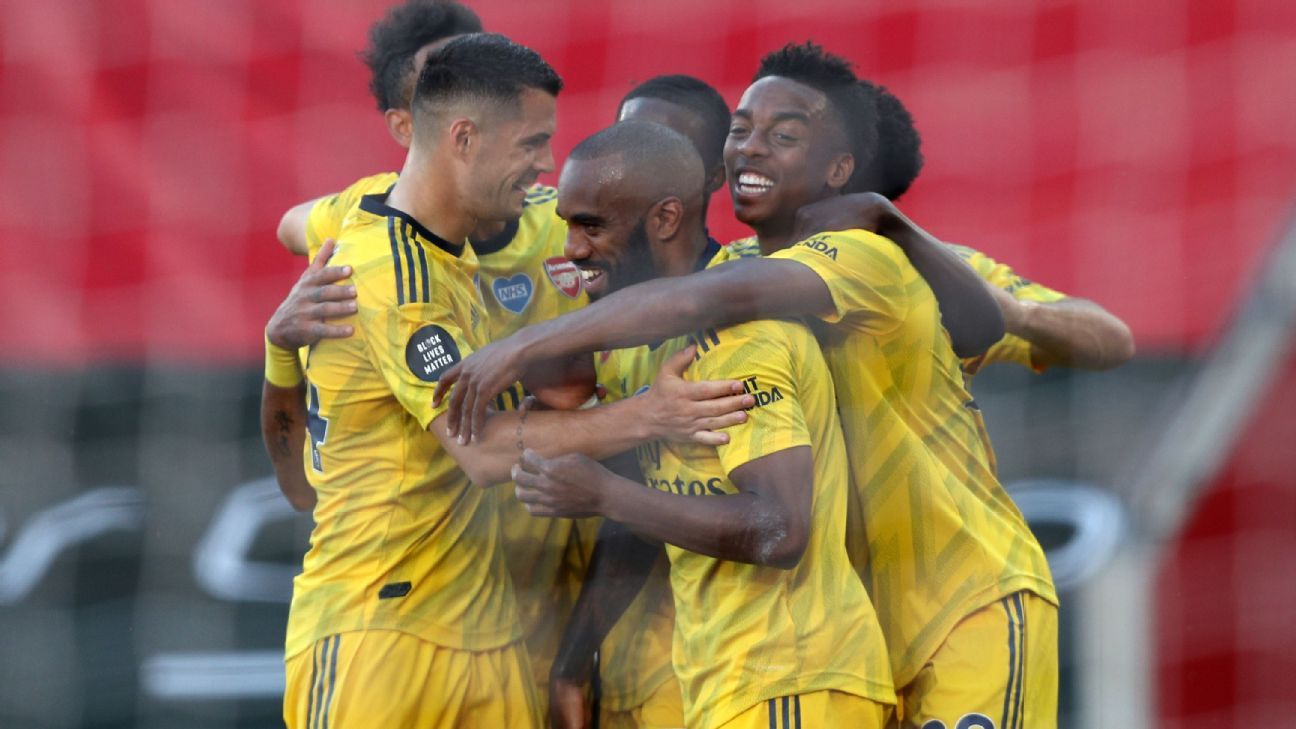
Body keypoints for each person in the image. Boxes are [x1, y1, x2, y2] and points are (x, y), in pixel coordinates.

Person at [438, 42, 1061, 729]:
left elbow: (778, 525)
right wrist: (574, 657)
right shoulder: (664, 331)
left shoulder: (780, 299)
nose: (752, 149)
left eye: (784, 135)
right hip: (832, 645)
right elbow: (649, 495)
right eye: (741, 130)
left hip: (928, 613)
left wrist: (529, 351)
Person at [280, 34, 754, 729]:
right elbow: (480, 451)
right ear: (464, 138)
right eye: (532, 143)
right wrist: (650, 415)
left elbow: (294, 224)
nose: (544, 163)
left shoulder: (461, 242)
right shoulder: (386, 271)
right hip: (381, 633)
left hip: (492, 634)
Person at [527, 119, 895, 729]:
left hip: (791, 679)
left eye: (591, 226)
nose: (572, 248)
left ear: (665, 218)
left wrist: (605, 495)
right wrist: (573, 663)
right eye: (568, 224)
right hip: (730, 685)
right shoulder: (639, 347)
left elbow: (781, 530)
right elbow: (649, 512)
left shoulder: (739, 336)